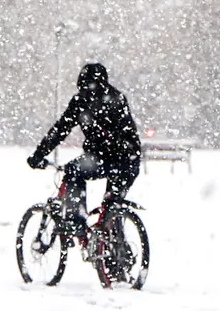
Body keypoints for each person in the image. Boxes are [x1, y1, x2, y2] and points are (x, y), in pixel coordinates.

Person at [27, 63, 141, 236]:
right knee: (111, 206)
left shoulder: (82, 101)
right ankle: (113, 251)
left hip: (104, 158)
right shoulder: (116, 98)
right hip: (129, 161)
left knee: (73, 171)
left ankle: (76, 221)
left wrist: (39, 154)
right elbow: (128, 135)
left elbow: (60, 130)